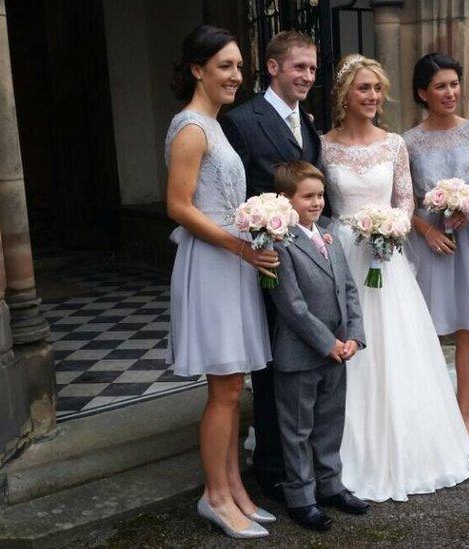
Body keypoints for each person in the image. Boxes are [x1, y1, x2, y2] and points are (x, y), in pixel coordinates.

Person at [320, 54, 469, 502]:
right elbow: (319, 204)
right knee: (347, 344)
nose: (372, 97)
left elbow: (406, 201)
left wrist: (388, 229)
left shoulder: (393, 144)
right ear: (345, 94)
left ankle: (412, 446)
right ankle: (342, 449)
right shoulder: (324, 145)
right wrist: (352, 231)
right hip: (343, 252)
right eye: (364, 88)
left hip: (385, 256)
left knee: (394, 345)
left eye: (378, 89)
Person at [164, 25, 277, 539]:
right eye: (225, 66)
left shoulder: (214, 124)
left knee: (234, 385)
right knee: (224, 388)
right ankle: (214, 496)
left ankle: (235, 488)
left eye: (238, 66)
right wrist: (237, 244)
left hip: (232, 261)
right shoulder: (191, 127)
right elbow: (179, 206)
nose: (236, 75)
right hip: (212, 264)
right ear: (197, 70)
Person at [220, 31, 322, 501]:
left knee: (306, 361)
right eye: (299, 66)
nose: (307, 76)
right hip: (267, 264)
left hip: (308, 264)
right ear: (274, 67)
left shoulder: (310, 125)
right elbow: (233, 197)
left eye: (313, 69)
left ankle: (310, 461)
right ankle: (272, 468)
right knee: (272, 366)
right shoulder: (241, 120)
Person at [402, 53, 469, 451]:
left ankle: (463, 413)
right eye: (440, 86)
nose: (450, 93)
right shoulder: (408, 142)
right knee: (424, 328)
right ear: (422, 93)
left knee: (467, 327)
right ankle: (426, 411)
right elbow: (403, 197)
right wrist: (426, 230)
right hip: (428, 240)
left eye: (454, 84)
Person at [268, 161, 370, 531]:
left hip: (338, 351)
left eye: (320, 196)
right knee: (297, 430)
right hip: (300, 354)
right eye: (307, 196)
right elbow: (292, 306)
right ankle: (301, 497)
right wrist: (328, 344)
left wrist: (354, 337)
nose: (316, 203)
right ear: (286, 200)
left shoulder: (329, 234)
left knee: (329, 423)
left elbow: (347, 290)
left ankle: (331, 486)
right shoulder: (279, 243)